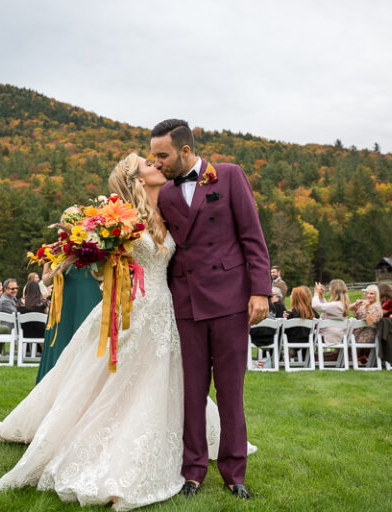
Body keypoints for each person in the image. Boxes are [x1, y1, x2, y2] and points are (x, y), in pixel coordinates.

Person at [0, 153, 199, 510]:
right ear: (136, 179)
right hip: (130, 310)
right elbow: (90, 249)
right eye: (148, 164)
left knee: (154, 379)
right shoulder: (120, 219)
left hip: (163, 312)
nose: (157, 165)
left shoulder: (167, 212)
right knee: (117, 382)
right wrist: (84, 247)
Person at [152, 119, 270, 500]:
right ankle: (193, 472)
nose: (157, 163)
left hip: (231, 302)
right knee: (192, 392)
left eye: (163, 155)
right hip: (186, 303)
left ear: (185, 151)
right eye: (153, 156)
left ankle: (234, 474)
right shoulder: (166, 195)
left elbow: (252, 236)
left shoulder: (231, 177)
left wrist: (261, 292)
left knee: (231, 392)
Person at [34, 240, 102, 383]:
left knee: (89, 341)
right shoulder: (56, 249)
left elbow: (101, 275)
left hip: (89, 297)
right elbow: (45, 281)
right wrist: (61, 266)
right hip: (64, 301)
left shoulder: (95, 245)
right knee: (63, 341)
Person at [311, 279, 350, 347]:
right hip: (335, 335)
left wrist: (316, 293)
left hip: (329, 336)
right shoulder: (340, 304)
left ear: (334, 290)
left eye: (330, 288)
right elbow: (327, 308)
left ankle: (304, 357)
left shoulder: (336, 305)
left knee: (305, 337)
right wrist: (321, 296)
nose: (329, 289)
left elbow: (316, 306)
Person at [350, 284, 383, 350]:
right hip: (355, 335)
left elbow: (370, 323)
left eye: (371, 294)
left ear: (376, 295)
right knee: (340, 338)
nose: (368, 295)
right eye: (367, 293)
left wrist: (367, 308)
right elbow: (347, 309)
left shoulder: (377, 308)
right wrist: (356, 304)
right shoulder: (363, 304)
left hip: (366, 336)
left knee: (342, 340)